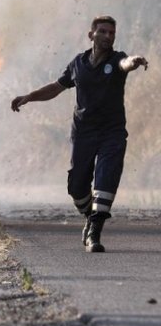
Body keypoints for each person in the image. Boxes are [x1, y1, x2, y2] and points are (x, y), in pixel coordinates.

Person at [11, 16, 148, 253]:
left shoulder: (117, 60)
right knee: (77, 186)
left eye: (112, 33)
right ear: (91, 35)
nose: (108, 36)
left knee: (106, 179)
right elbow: (56, 87)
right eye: (103, 32)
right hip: (84, 132)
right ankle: (89, 216)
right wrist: (29, 97)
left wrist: (134, 61)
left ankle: (95, 231)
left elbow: (125, 63)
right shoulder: (78, 63)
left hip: (112, 132)